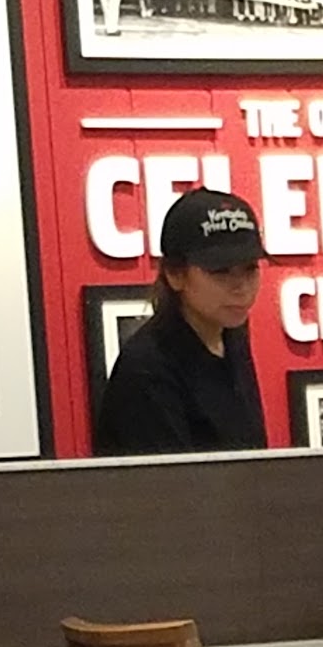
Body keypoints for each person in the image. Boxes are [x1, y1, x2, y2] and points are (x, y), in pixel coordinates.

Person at [93, 187, 268, 455]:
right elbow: (170, 480)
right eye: (220, 271)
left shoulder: (231, 333)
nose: (241, 286)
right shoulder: (146, 369)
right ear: (175, 274)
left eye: (250, 268)